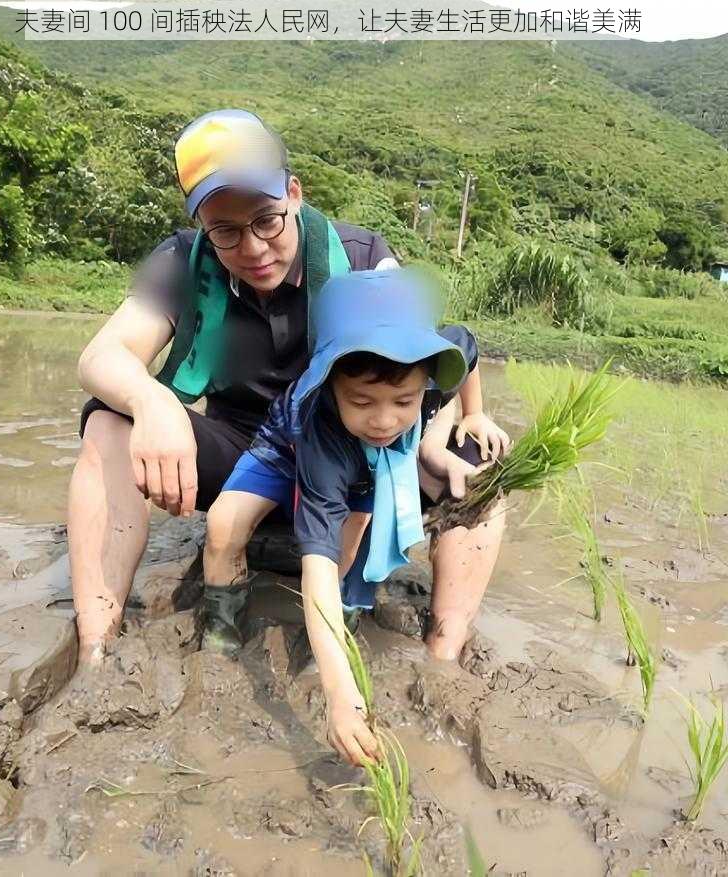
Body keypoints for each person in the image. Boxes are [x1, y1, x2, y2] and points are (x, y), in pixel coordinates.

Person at [70, 108, 397, 665]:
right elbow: (103, 355)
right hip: (237, 464)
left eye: (267, 219)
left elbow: (412, 368)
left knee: (473, 454)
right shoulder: (183, 260)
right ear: (202, 226)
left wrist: (461, 419)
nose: (251, 247)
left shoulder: (363, 259)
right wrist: (153, 402)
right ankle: (95, 644)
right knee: (109, 416)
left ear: (294, 194)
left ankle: (446, 650)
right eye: (225, 230)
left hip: (340, 466)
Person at [203, 269, 510, 765]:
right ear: (329, 384)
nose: (385, 419)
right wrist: (339, 693)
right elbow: (315, 567)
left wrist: (473, 412)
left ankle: (333, 633)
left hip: (366, 463)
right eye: (362, 401)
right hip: (284, 448)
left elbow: (466, 345)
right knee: (222, 529)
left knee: (352, 539)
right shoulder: (324, 432)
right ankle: (219, 634)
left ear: (427, 378)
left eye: (404, 402)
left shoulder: (428, 369)